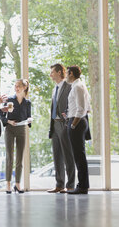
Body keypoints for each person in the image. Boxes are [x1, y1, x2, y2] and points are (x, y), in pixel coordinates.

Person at [47, 64, 75, 193]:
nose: (51, 74)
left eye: (52, 72)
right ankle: (59, 184)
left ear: (59, 72)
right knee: (57, 155)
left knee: (68, 155)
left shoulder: (68, 86)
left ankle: (70, 185)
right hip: (55, 124)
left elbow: (72, 104)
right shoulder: (55, 89)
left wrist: (68, 121)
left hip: (64, 124)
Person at [0, 79, 31, 194]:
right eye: (15, 86)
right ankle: (8, 183)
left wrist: (29, 121)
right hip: (9, 129)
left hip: (22, 129)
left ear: (24, 88)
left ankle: (17, 184)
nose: (16, 88)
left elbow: (29, 116)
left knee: (19, 158)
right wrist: (8, 121)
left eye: (18, 86)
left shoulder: (27, 102)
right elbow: (0, 113)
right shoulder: (9, 100)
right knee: (9, 157)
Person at [64, 65, 91, 194]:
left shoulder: (78, 87)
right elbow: (85, 106)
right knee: (78, 155)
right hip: (76, 120)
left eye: (67, 73)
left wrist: (73, 124)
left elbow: (81, 109)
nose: (65, 76)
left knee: (79, 155)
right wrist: (69, 115)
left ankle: (82, 186)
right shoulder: (78, 86)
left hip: (77, 122)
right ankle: (82, 185)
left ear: (72, 74)